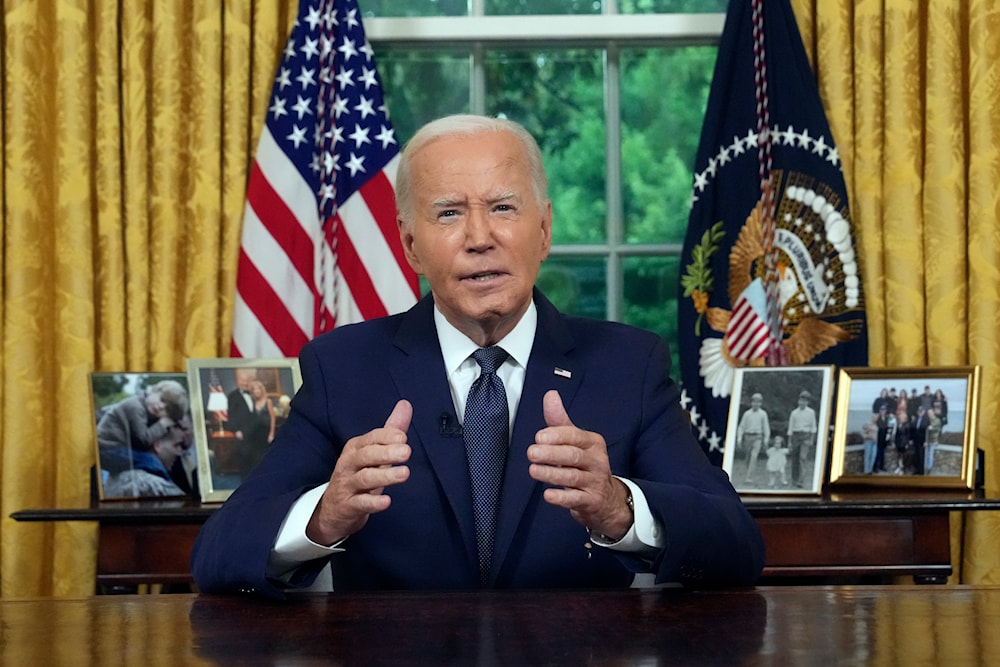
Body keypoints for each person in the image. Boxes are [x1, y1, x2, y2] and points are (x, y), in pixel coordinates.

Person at [190, 114, 765, 598]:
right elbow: (217, 555)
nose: (479, 236)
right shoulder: (341, 367)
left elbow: (737, 547)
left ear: (544, 229)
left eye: (504, 208)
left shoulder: (628, 364)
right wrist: (323, 516)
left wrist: (620, 508)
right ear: (411, 245)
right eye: (448, 212)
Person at [736, 393, 770, 484]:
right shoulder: (747, 414)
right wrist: (739, 438)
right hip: (748, 437)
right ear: (752, 403)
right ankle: (749, 473)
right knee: (748, 457)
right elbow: (741, 426)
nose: (756, 404)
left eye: (758, 402)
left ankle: (749, 477)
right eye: (754, 402)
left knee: (754, 457)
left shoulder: (763, 414)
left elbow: (766, 428)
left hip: (758, 437)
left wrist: (766, 439)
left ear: (760, 403)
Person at [786, 390, 817, 488]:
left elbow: (813, 427)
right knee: (794, 459)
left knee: (802, 458)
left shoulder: (811, 412)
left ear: (807, 402)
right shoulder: (794, 413)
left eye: (805, 401)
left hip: (806, 436)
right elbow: (790, 428)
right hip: (796, 436)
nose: (802, 403)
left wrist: (811, 439)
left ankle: (801, 481)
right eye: (801, 400)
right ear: (798, 401)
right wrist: (789, 442)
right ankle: (794, 479)